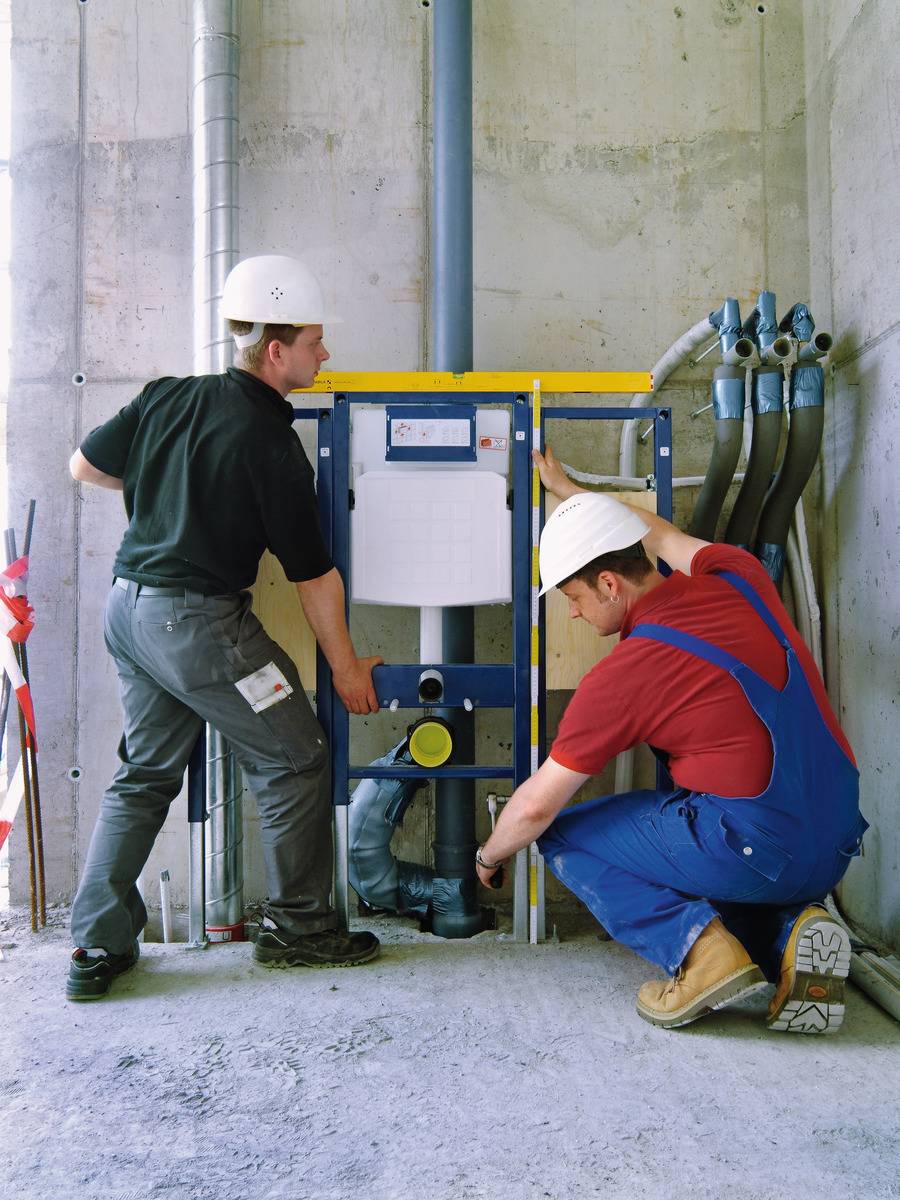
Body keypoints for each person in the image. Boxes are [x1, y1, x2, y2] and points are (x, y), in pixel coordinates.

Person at [67, 255, 382, 1001]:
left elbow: (84, 466)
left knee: (143, 776)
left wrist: (162, 493)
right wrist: (344, 669)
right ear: (276, 351)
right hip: (198, 628)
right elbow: (313, 578)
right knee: (298, 757)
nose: (324, 354)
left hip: (128, 612)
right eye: (314, 341)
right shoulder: (273, 443)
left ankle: (96, 947)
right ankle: (302, 930)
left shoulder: (169, 396)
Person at [475, 446, 866, 1033]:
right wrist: (571, 494)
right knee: (716, 841)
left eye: (573, 598)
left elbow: (533, 807)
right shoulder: (740, 576)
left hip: (759, 850)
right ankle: (793, 933)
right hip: (834, 843)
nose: (575, 616)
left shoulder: (624, 675)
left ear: (608, 584)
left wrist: (489, 856)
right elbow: (655, 532)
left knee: (563, 837)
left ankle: (700, 956)